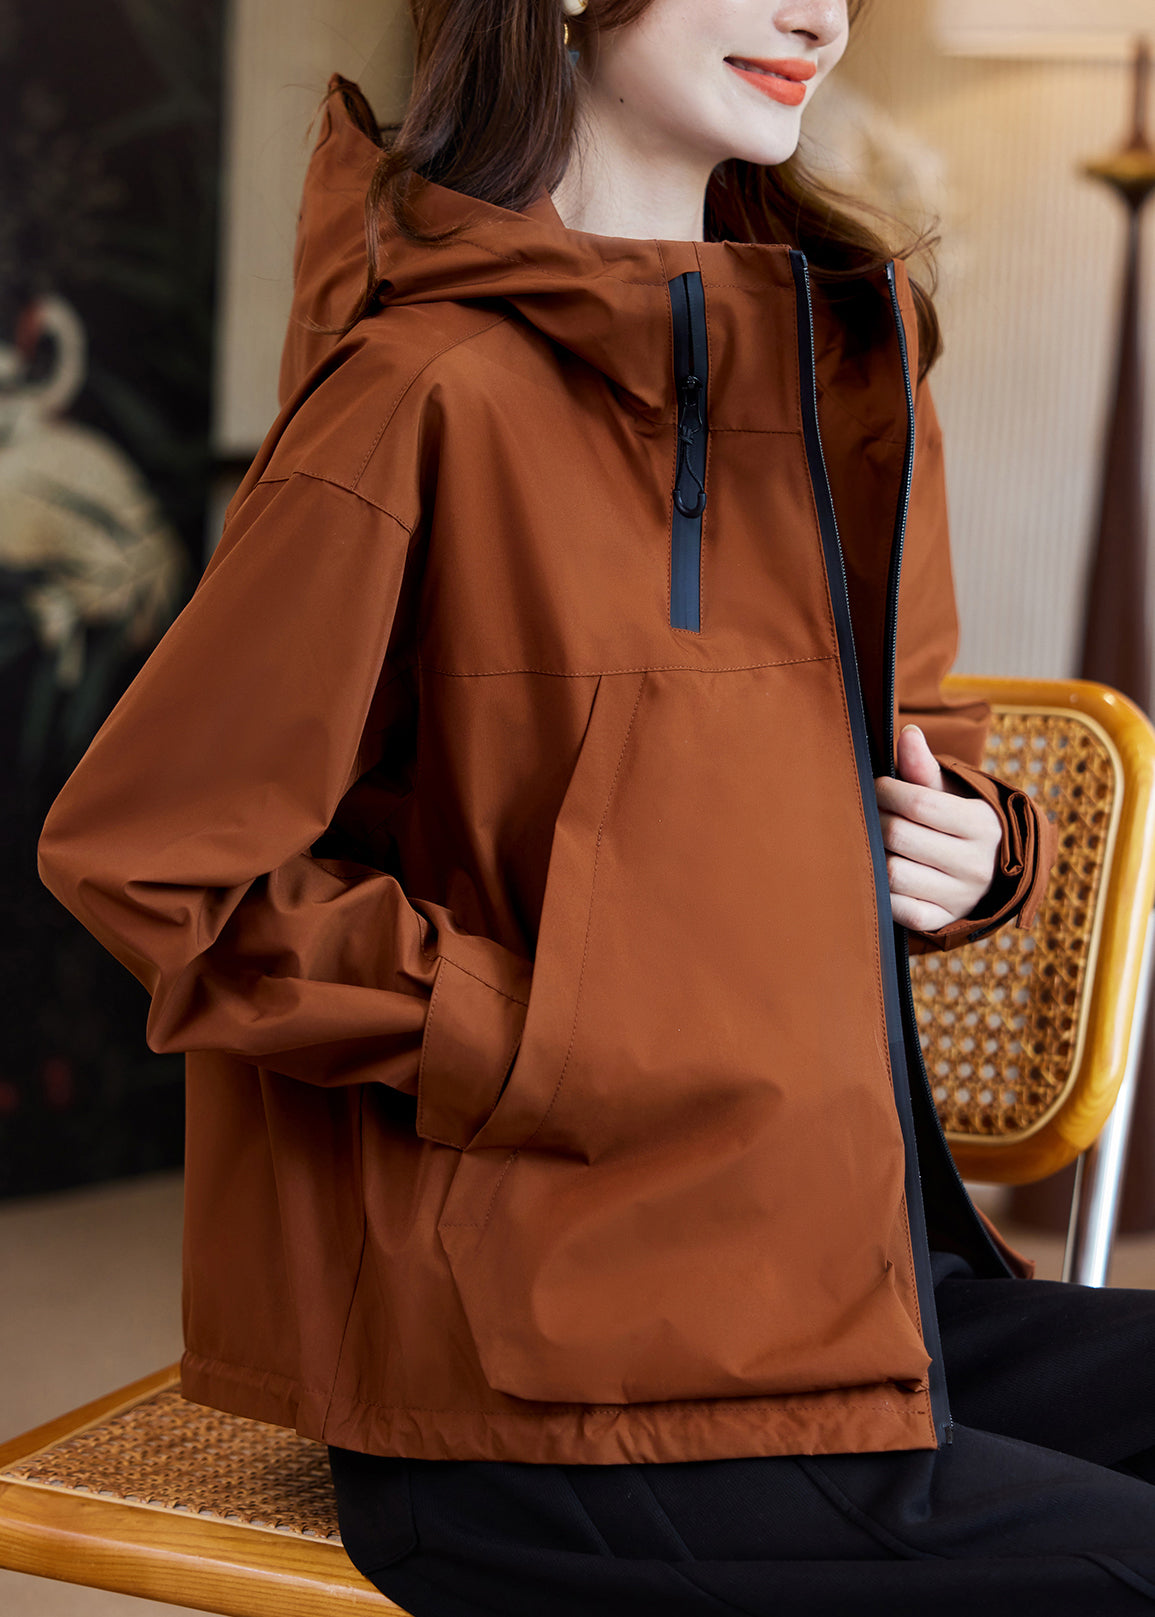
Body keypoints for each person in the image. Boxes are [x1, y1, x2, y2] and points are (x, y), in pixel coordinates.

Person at [36, 0, 1155, 1611]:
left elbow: (923, 730)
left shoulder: (847, 351)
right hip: (539, 1369)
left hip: (835, 1281)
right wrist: (536, 1033)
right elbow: (154, 860)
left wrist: (975, 847)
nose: (819, 16)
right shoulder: (422, 386)